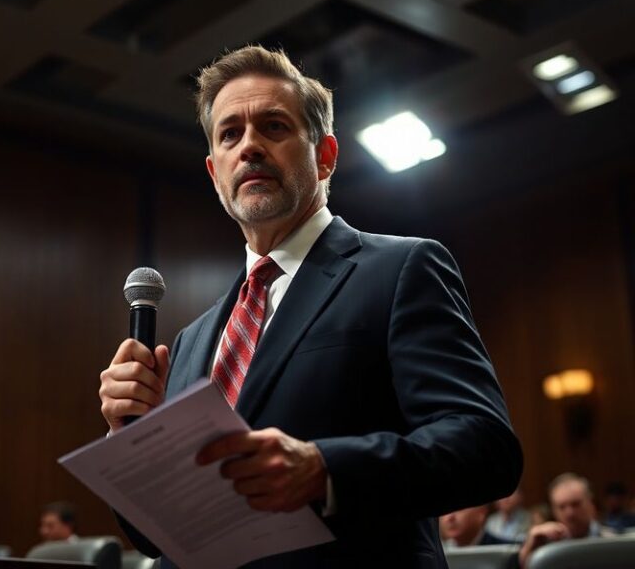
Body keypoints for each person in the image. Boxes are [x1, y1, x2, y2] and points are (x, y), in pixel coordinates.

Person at [99, 45, 522, 568]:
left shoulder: (401, 269)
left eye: (273, 126)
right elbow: (154, 538)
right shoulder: (190, 340)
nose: (249, 145)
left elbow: (485, 448)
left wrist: (325, 471)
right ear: (214, 172)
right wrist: (131, 439)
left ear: (325, 157)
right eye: (230, 134)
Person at [518, 472, 616, 567]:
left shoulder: (614, 542)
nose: (570, 513)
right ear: (553, 510)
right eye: (562, 507)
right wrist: (531, 549)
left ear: (591, 504)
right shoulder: (546, 548)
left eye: (576, 504)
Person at [441, 505, 516, 549]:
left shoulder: (510, 551)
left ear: (481, 513)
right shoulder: (435, 555)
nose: (449, 517)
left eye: (459, 508)